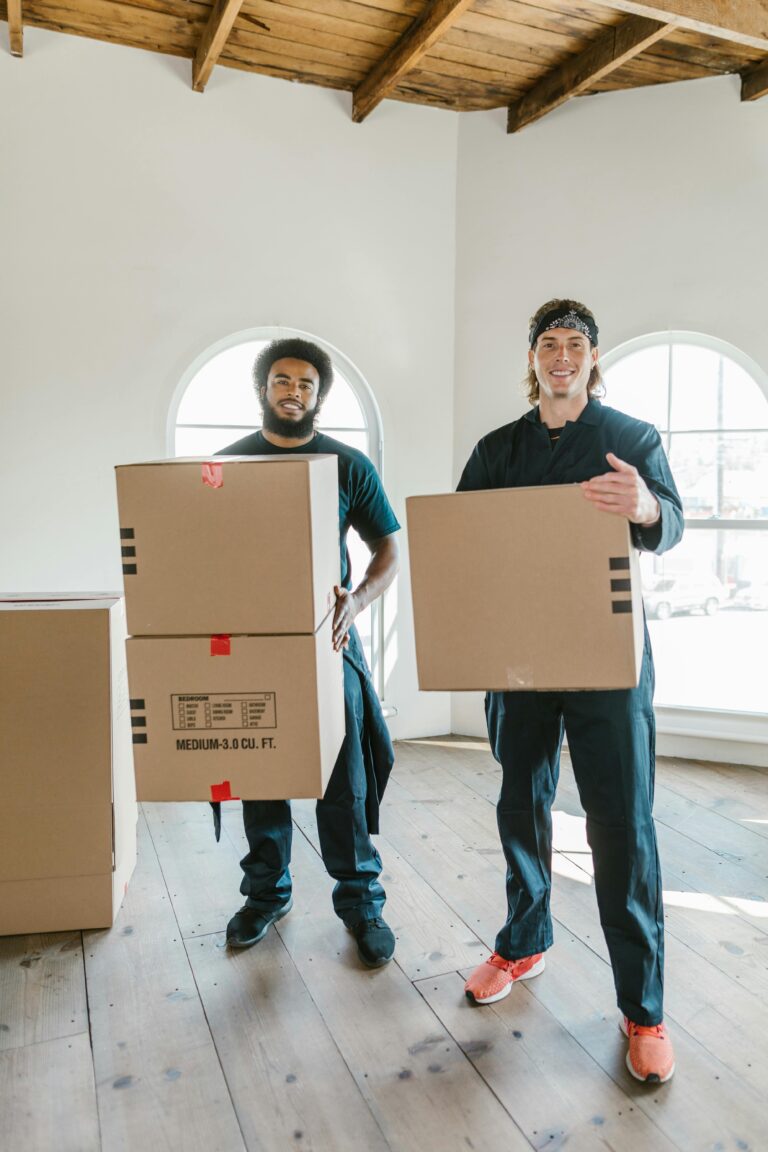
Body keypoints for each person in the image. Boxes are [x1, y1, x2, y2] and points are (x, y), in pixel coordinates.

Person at [458, 299, 683, 1084]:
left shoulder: (630, 440)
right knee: (520, 801)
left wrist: (645, 505)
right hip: (520, 661)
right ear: (534, 359)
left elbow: (672, 522)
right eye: (549, 343)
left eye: (575, 344)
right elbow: (463, 545)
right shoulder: (496, 450)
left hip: (607, 660)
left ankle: (643, 1009)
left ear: (593, 358)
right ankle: (523, 945)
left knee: (622, 824)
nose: (562, 355)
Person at [218, 337, 400, 968]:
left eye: (305, 383)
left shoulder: (347, 465)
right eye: (281, 381)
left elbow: (390, 552)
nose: (293, 391)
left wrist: (355, 602)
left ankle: (361, 902)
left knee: (342, 779)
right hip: (253, 647)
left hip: (329, 643)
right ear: (263, 390)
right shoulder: (227, 467)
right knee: (263, 771)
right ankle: (266, 894)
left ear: (319, 395)